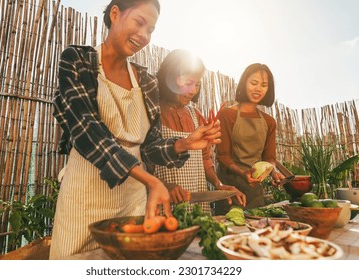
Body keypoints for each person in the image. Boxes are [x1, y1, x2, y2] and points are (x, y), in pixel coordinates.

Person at [49, 0, 221, 259]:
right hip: (84, 198)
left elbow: (148, 148)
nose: (144, 35)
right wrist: (152, 182)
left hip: (133, 202)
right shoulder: (77, 61)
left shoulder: (147, 82)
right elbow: (87, 130)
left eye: (150, 29)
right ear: (115, 13)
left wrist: (183, 144)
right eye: (139, 23)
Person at [153, 49, 246, 214]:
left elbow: (205, 159)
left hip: (197, 206)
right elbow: (142, 161)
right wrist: (164, 185)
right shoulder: (153, 113)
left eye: (197, 84)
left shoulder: (196, 116)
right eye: (188, 83)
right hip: (162, 204)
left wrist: (218, 184)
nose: (193, 91)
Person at [215, 63, 285, 213]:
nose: (258, 89)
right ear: (244, 83)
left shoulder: (269, 122)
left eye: (264, 85)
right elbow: (223, 156)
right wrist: (243, 173)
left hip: (255, 191)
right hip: (230, 189)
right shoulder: (227, 115)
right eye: (254, 83)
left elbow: (269, 157)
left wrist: (273, 172)